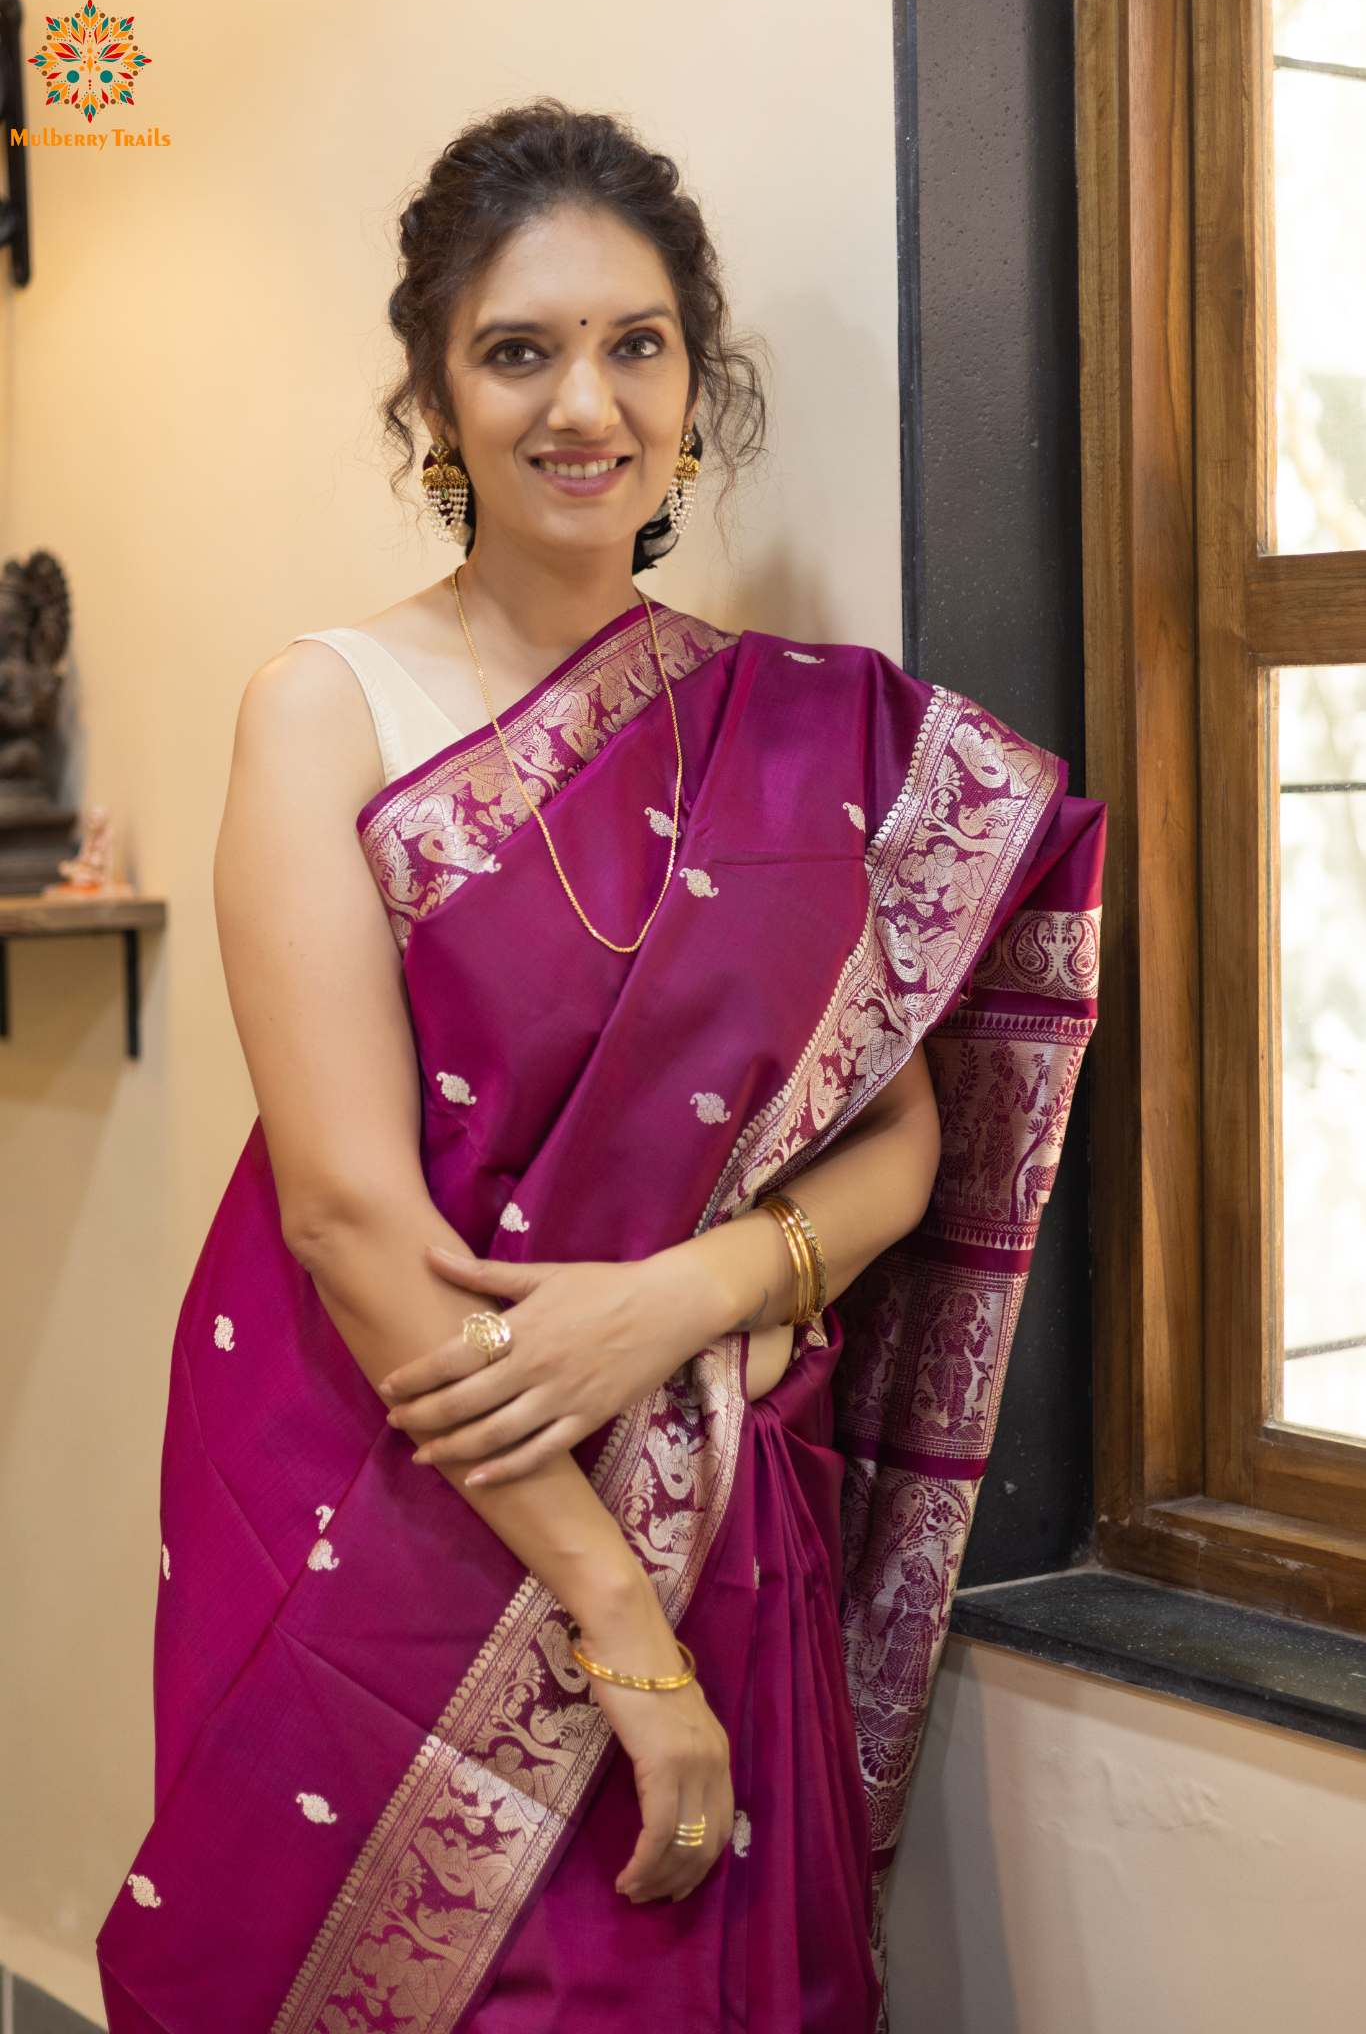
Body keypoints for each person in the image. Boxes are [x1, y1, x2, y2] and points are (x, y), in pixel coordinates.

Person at [98, 101, 1104, 2034]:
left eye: (634, 344)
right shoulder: (329, 709)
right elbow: (345, 1213)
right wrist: (622, 1634)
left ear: (690, 381)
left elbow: (897, 1144)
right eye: (518, 350)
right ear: (433, 394)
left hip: (706, 1457)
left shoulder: (791, 736)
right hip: (396, 1474)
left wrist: (674, 1301)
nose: (585, 404)